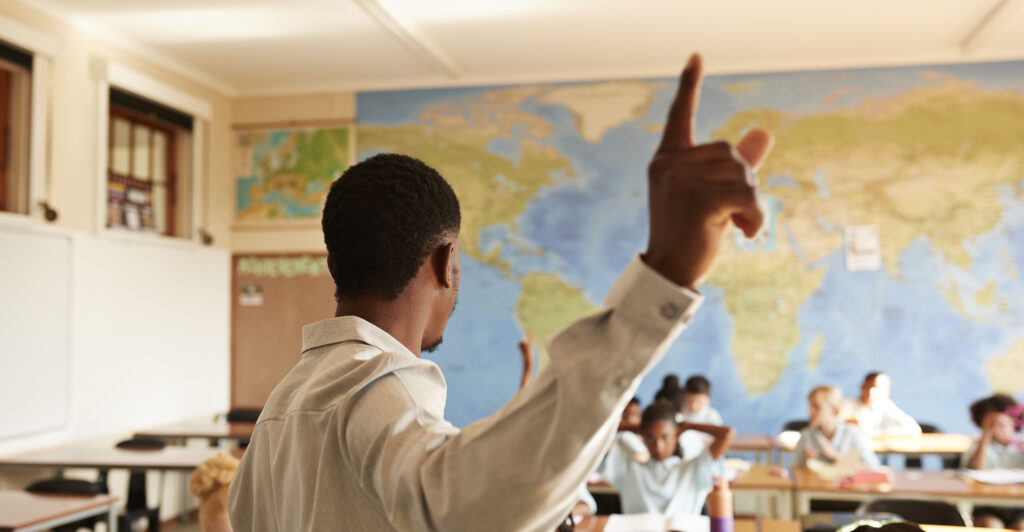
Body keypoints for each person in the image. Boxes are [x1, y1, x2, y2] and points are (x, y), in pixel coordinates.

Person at [227, 53, 774, 531]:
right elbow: (460, 513)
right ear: (447, 264)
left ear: (335, 265)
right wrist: (666, 274)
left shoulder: (280, 411)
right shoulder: (374, 386)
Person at [597, 401, 735, 514]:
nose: (658, 447)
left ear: (677, 435)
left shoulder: (692, 469)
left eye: (666, 437)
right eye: (650, 438)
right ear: (642, 437)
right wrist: (637, 428)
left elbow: (727, 434)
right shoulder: (628, 468)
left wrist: (689, 425)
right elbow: (597, 432)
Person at [961, 394, 1024, 530]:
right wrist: (986, 435)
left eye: (1004, 422)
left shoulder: (1021, 445)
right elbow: (976, 467)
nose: (999, 427)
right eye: (992, 423)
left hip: (1019, 506)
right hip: (988, 505)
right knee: (990, 526)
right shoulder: (978, 445)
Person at [793, 386, 880, 469]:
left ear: (835, 411)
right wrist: (806, 462)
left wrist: (835, 456)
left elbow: (872, 467)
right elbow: (794, 469)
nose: (810, 411)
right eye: (810, 406)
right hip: (818, 484)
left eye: (816, 407)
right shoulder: (806, 435)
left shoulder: (851, 434)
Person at [845, 372, 920, 436]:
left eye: (878, 389)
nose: (872, 392)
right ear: (862, 387)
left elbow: (914, 429)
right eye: (869, 387)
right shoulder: (848, 405)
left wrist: (883, 433)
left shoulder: (884, 405)